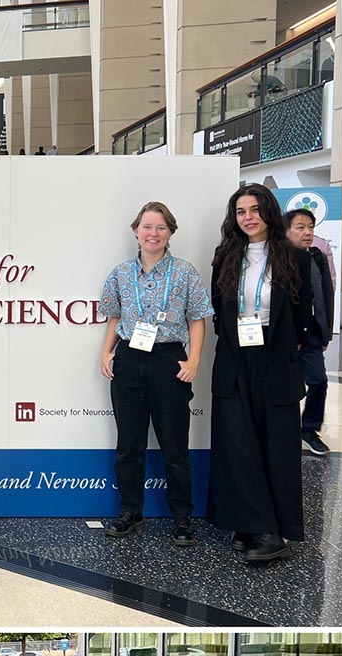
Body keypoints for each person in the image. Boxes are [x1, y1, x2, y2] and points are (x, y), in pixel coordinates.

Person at [207, 182, 312, 564]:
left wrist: (283, 348)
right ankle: (247, 522)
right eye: (240, 211)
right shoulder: (226, 257)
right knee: (238, 443)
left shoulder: (296, 258)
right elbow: (220, 311)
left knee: (276, 446)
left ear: (268, 211)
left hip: (275, 360)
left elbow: (305, 317)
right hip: (236, 357)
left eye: (254, 209)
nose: (248, 217)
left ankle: (272, 531)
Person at [99, 201, 213, 546]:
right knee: (128, 445)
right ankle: (130, 512)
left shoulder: (185, 272)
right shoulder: (120, 273)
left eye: (160, 227)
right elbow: (114, 317)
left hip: (169, 361)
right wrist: (106, 352)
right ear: (136, 231)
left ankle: (182, 519)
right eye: (147, 227)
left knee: (174, 447)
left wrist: (193, 360)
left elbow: (197, 319)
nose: (153, 233)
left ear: (170, 233)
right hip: (130, 359)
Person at [284, 207, 334, 456]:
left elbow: (326, 295)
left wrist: (326, 332)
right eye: (300, 227)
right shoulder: (279, 259)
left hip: (311, 333)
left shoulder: (317, 256)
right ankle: (285, 430)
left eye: (310, 227)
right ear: (286, 230)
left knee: (318, 380)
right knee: (285, 386)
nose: (307, 232)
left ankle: (309, 428)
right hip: (284, 336)